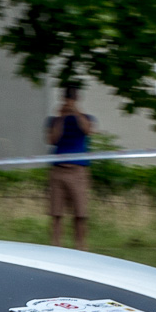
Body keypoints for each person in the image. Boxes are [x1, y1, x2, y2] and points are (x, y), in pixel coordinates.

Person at [45, 85, 95, 249]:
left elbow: (88, 130)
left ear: (77, 99)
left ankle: (81, 247)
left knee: (80, 213)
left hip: (78, 170)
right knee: (56, 213)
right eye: (67, 98)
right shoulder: (54, 120)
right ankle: (56, 246)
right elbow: (52, 139)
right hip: (58, 170)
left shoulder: (86, 117)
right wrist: (61, 117)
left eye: (71, 98)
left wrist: (76, 112)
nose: (69, 101)